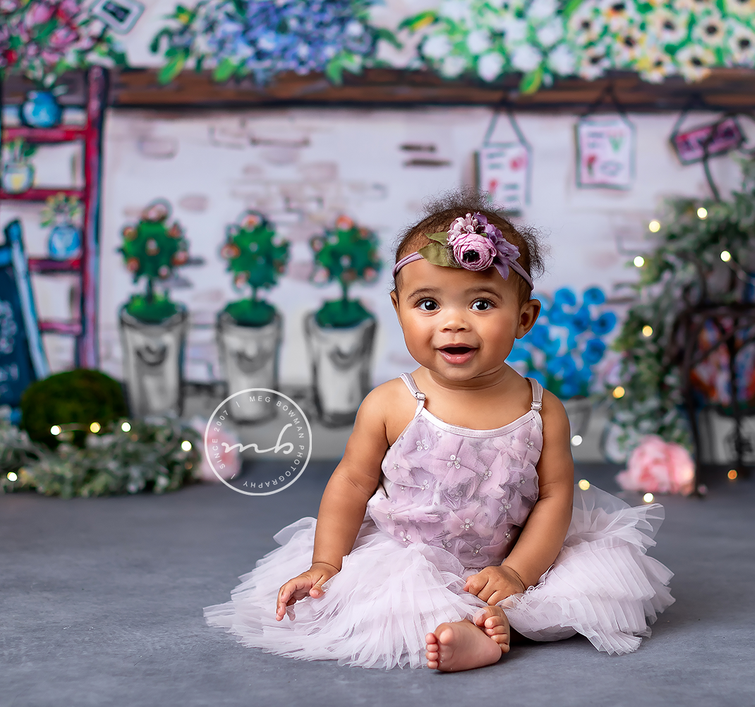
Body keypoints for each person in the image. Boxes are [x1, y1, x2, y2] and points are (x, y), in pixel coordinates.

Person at [205, 195, 673, 671]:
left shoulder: (541, 409)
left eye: (481, 303)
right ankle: (477, 631)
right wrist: (327, 563)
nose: (454, 322)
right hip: (408, 560)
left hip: (510, 558)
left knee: (564, 595)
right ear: (398, 309)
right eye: (428, 304)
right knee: (387, 605)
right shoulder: (390, 403)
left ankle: (495, 623)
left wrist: (516, 571)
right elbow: (351, 482)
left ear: (524, 318)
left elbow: (555, 497)